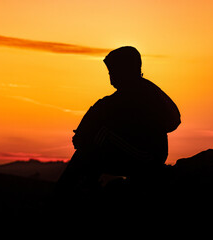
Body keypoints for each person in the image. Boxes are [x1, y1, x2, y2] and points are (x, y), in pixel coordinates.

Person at [55, 46, 181, 196]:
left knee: (91, 148)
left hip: (147, 156)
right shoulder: (129, 94)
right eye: (110, 72)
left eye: (113, 71)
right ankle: (78, 189)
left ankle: (65, 193)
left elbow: (103, 116)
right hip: (140, 154)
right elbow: (101, 110)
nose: (111, 76)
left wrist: (84, 137)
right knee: (90, 148)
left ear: (125, 70)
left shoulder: (140, 94)